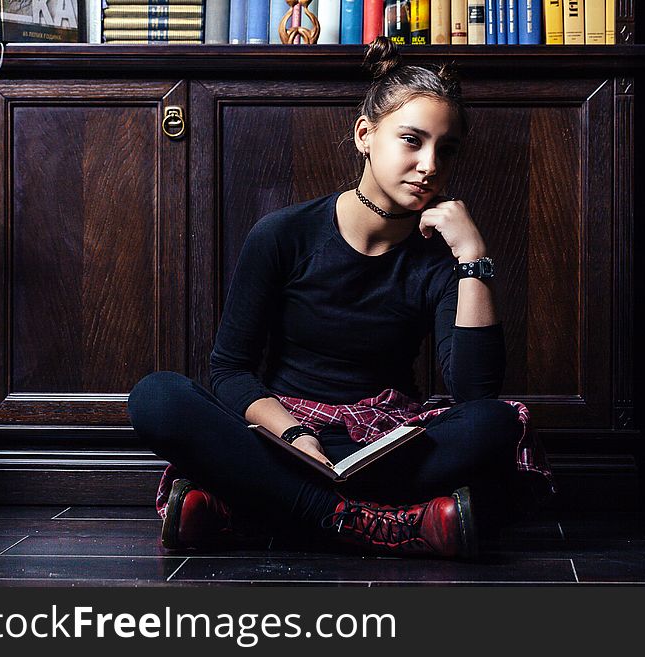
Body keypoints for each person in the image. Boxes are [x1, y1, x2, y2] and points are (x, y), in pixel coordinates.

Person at [128, 36, 553, 560]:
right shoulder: (283, 233)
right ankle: (366, 521)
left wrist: (472, 256)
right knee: (157, 397)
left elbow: (474, 390)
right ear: (365, 135)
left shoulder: (445, 260)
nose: (430, 164)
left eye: (447, 149)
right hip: (282, 432)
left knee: (498, 421)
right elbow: (231, 369)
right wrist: (295, 435)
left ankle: (244, 509)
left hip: (380, 443)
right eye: (412, 140)